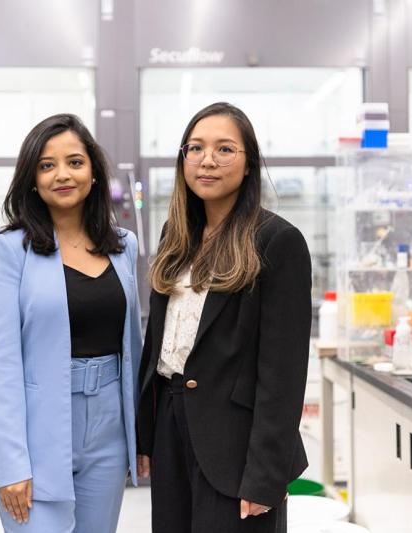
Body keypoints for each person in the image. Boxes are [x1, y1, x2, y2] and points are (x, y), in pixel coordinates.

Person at [136, 102, 312, 533]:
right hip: (172, 428)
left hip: (237, 444)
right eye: (195, 148)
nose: (207, 160)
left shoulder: (277, 241)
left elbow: (283, 374)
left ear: (249, 163)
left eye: (225, 149)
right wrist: (146, 434)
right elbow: (157, 343)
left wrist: (265, 475)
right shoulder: (175, 236)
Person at [0, 114, 142, 533]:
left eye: (74, 162)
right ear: (32, 179)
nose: (62, 174)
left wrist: (139, 436)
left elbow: (133, 346)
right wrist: (11, 460)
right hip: (35, 432)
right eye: (47, 165)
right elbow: (1, 363)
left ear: (93, 173)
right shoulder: (9, 250)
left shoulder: (124, 246)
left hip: (108, 432)